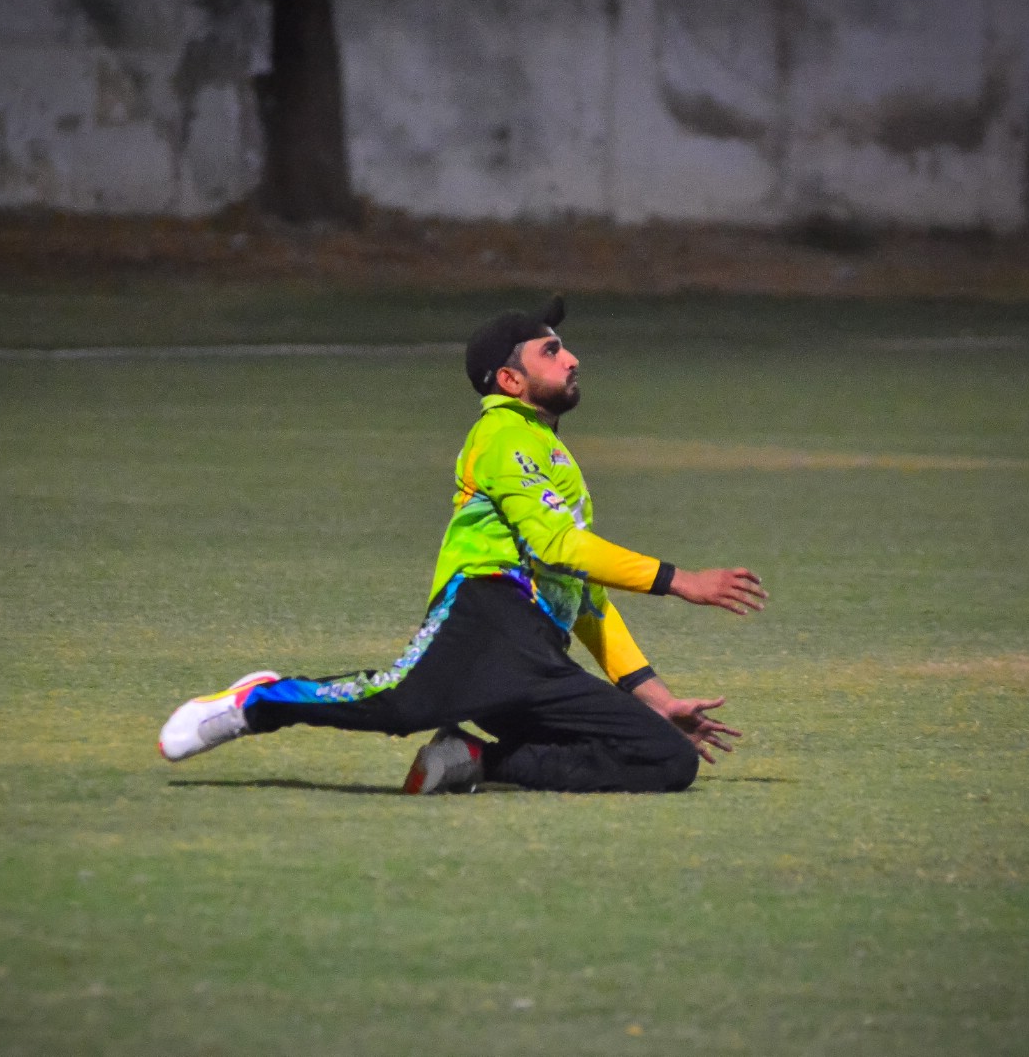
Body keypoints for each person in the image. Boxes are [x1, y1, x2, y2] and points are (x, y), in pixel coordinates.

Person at [158, 295, 767, 793]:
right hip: (485, 619)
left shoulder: (550, 451)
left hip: (538, 657)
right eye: (551, 350)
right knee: (396, 707)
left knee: (666, 758)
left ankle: (471, 758)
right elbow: (557, 546)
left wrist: (657, 699)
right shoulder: (501, 434)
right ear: (510, 379)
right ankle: (257, 702)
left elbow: (584, 595)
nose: (572, 358)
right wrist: (681, 581)